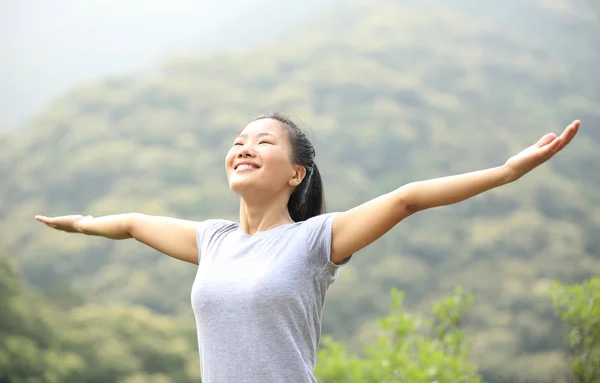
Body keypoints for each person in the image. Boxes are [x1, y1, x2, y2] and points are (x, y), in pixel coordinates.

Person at [35, 112, 581, 382]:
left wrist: (507, 172)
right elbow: (132, 223)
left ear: (296, 173)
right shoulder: (214, 241)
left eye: (263, 141)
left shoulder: (315, 241)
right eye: (238, 142)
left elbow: (408, 198)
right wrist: (83, 223)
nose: (244, 147)